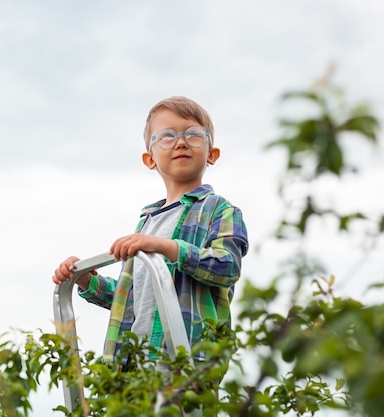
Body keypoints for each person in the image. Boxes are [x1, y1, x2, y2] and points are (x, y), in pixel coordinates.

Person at [52, 96, 248, 366]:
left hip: (185, 364)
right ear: (150, 159)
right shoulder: (147, 223)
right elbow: (133, 300)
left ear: (212, 154)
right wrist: (87, 280)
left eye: (193, 135)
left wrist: (166, 247)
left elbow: (227, 267)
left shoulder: (218, 210)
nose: (181, 142)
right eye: (167, 136)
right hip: (133, 369)